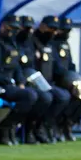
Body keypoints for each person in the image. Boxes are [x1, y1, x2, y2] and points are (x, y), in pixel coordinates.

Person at [0, 15, 37, 145]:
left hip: (11, 84)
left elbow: (17, 67)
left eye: (15, 28)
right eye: (10, 27)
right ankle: (4, 127)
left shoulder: (12, 44)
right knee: (29, 96)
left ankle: (9, 126)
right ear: (3, 26)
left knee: (35, 95)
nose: (12, 31)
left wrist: (20, 82)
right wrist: (10, 82)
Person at [15, 15, 60, 144]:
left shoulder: (31, 44)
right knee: (44, 97)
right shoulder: (18, 43)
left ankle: (42, 127)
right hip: (21, 83)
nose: (28, 31)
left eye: (30, 28)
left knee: (59, 96)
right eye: (26, 28)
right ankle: (27, 129)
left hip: (36, 81)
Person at [31, 16, 73, 142]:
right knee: (56, 97)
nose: (54, 32)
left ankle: (53, 125)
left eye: (56, 29)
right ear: (42, 26)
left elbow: (59, 68)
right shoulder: (32, 42)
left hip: (49, 83)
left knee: (68, 94)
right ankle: (36, 127)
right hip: (34, 83)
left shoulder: (50, 45)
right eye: (51, 28)